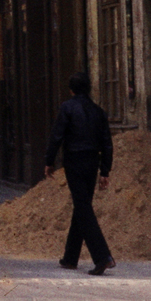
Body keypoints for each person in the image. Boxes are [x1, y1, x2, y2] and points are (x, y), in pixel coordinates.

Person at [44, 71, 116, 276]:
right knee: (82, 205)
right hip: (92, 162)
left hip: (74, 161)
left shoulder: (67, 108)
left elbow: (56, 136)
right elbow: (107, 144)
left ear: (71, 89)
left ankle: (102, 256)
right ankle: (70, 257)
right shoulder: (98, 111)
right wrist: (105, 171)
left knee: (83, 208)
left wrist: (49, 161)